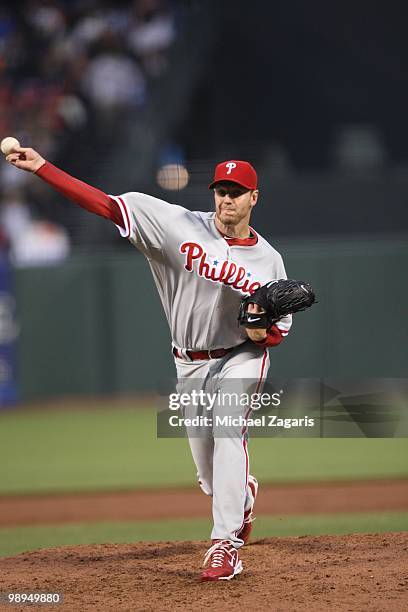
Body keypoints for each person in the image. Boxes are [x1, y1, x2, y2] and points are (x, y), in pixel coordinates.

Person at [6, 147, 292, 581]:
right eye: (221, 190)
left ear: (254, 197)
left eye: (236, 192)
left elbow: (277, 331)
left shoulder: (269, 260)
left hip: (240, 356)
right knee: (210, 477)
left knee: (230, 427)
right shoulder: (175, 225)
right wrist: (43, 169)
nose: (226, 199)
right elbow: (104, 204)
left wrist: (260, 333)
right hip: (189, 362)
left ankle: (225, 545)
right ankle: (241, 498)